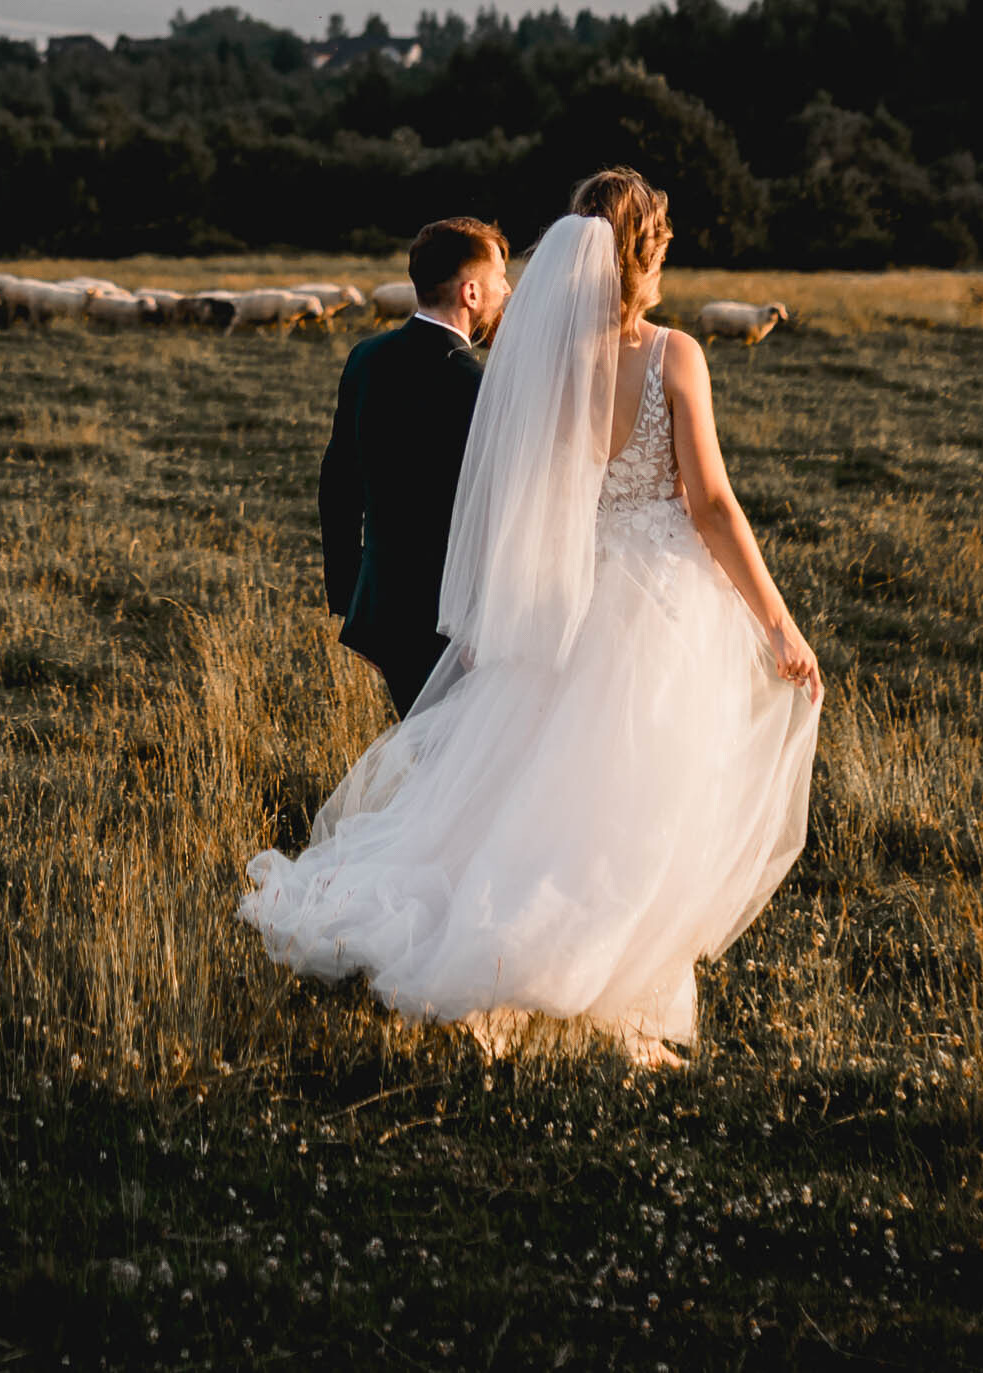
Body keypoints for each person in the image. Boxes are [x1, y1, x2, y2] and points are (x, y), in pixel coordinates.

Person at [238, 167, 826, 1062]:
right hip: (660, 602)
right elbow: (711, 502)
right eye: (663, 249)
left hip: (569, 596)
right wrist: (780, 621)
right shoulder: (675, 354)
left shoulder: (543, 360)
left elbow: (518, 497)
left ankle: (523, 958)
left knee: (535, 786)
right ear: (644, 255)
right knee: (641, 800)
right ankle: (596, 982)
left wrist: (494, 609)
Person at [315, 217, 512, 714]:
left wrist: (352, 600)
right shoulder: (476, 387)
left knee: (427, 749)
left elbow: (338, 485)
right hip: (453, 624)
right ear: (471, 292)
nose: (507, 290)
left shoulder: (366, 357)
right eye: (500, 278)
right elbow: (488, 516)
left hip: (382, 611)